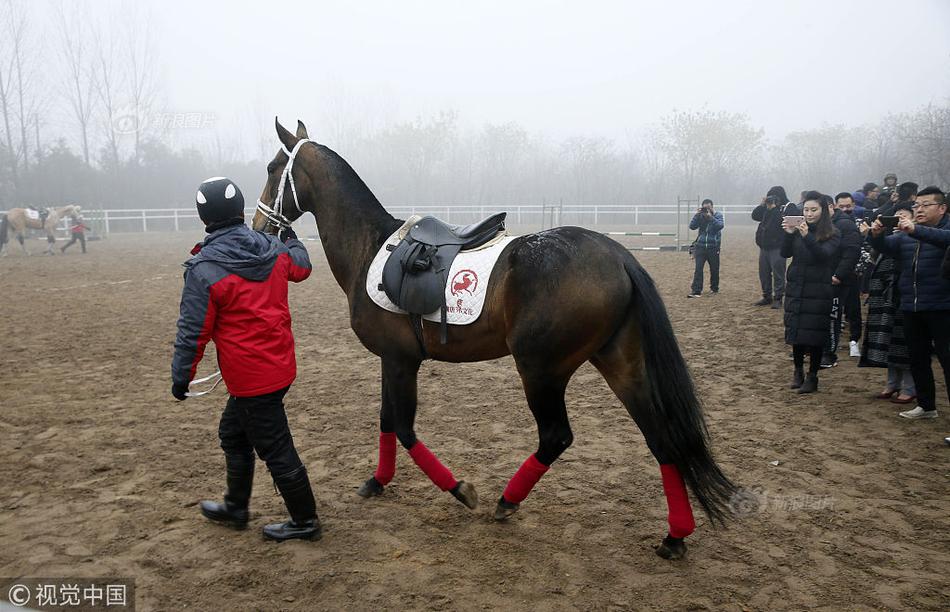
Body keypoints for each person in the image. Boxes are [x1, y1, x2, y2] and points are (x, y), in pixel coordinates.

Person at [171, 176, 321, 540]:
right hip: (278, 367)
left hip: (251, 379)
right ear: (240, 210)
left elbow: (193, 333)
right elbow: (302, 266)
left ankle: (305, 521)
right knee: (233, 434)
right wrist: (289, 236)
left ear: (204, 217)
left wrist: (181, 376)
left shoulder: (204, 269)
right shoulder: (273, 248)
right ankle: (236, 506)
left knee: (276, 447)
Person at [870, 186, 950, 420]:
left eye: (926, 205)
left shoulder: (941, 230)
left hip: (943, 306)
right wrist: (876, 235)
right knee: (917, 358)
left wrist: (915, 229)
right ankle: (926, 406)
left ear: (942, 208)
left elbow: (944, 239)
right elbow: (887, 247)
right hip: (911, 305)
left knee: (947, 361)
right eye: (917, 205)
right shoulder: (907, 233)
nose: (920, 209)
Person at [782, 191, 840, 393]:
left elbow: (823, 255)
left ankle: (812, 375)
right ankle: (797, 370)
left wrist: (807, 236)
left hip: (818, 288)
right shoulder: (798, 230)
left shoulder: (833, 233)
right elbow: (785, 253)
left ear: (823, 210)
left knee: (815, 334)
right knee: (796, 332)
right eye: (806, 209)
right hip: (797, 286)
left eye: (813, 209)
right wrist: (789, 235)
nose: (809, 214)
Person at [821, 193, 862, 367]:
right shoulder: (819, 225)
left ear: (831, 207)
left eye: (817, 209)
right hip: (820, 279)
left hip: (838, 280)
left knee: (833, 317)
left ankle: (830, 354)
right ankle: (815, 349)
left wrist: (839, 275)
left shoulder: (845, 224)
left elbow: (852, 252)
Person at [752, 186, 799, 309]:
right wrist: (763, 205)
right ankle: (766, 295)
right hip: (764, 246)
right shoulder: (767, 207)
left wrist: (774, 209)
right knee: (764, 272)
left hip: (779, 246)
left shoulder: (789, 207)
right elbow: (755, 216)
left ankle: (778, 297)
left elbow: (792, 224)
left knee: (778, 272)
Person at [687, 198, 724, 298]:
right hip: (701, 247)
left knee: (714, 269)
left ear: (712, 207)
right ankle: (696, 291)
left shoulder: (718, 215)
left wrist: (710, 217)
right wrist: (697, 215)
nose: (706, 210)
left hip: (713, 247)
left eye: (708, 207)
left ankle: (714, 288)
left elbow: (720, 226)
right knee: (698, 269)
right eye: (704, 208)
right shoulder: (700, 216)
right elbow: (692, 226)